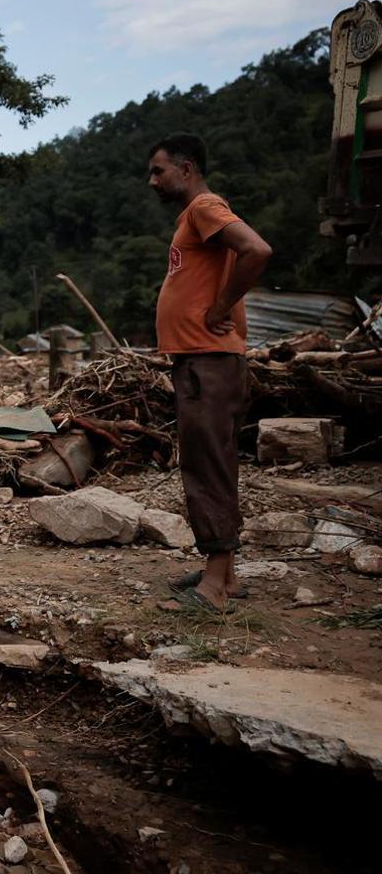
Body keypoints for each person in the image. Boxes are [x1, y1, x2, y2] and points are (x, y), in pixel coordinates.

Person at [147, 133, 272, 611]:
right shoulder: (196, 216)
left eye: (158, 171)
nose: (152, 181)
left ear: (186, 167)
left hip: (208, 358)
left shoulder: (204, 207)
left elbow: (257, 251)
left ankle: (214, 588)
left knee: (205, 464)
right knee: (216, 459)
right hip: (204, 358)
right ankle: (227, 574)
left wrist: (222, 307)